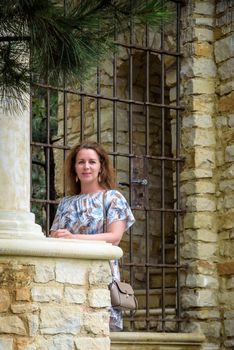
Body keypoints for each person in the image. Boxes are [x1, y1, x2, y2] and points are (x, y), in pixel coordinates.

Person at [50, 140, 135, 331]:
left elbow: (114, 237)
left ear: (101, 167)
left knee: (98, 332)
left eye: (92, 162)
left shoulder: (113, 198)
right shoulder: (65, 203)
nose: (86, 166)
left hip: (100, 277)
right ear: (74, 168)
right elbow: (55, 236)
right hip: (67, 276)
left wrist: (73, 238)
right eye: (81, 162)